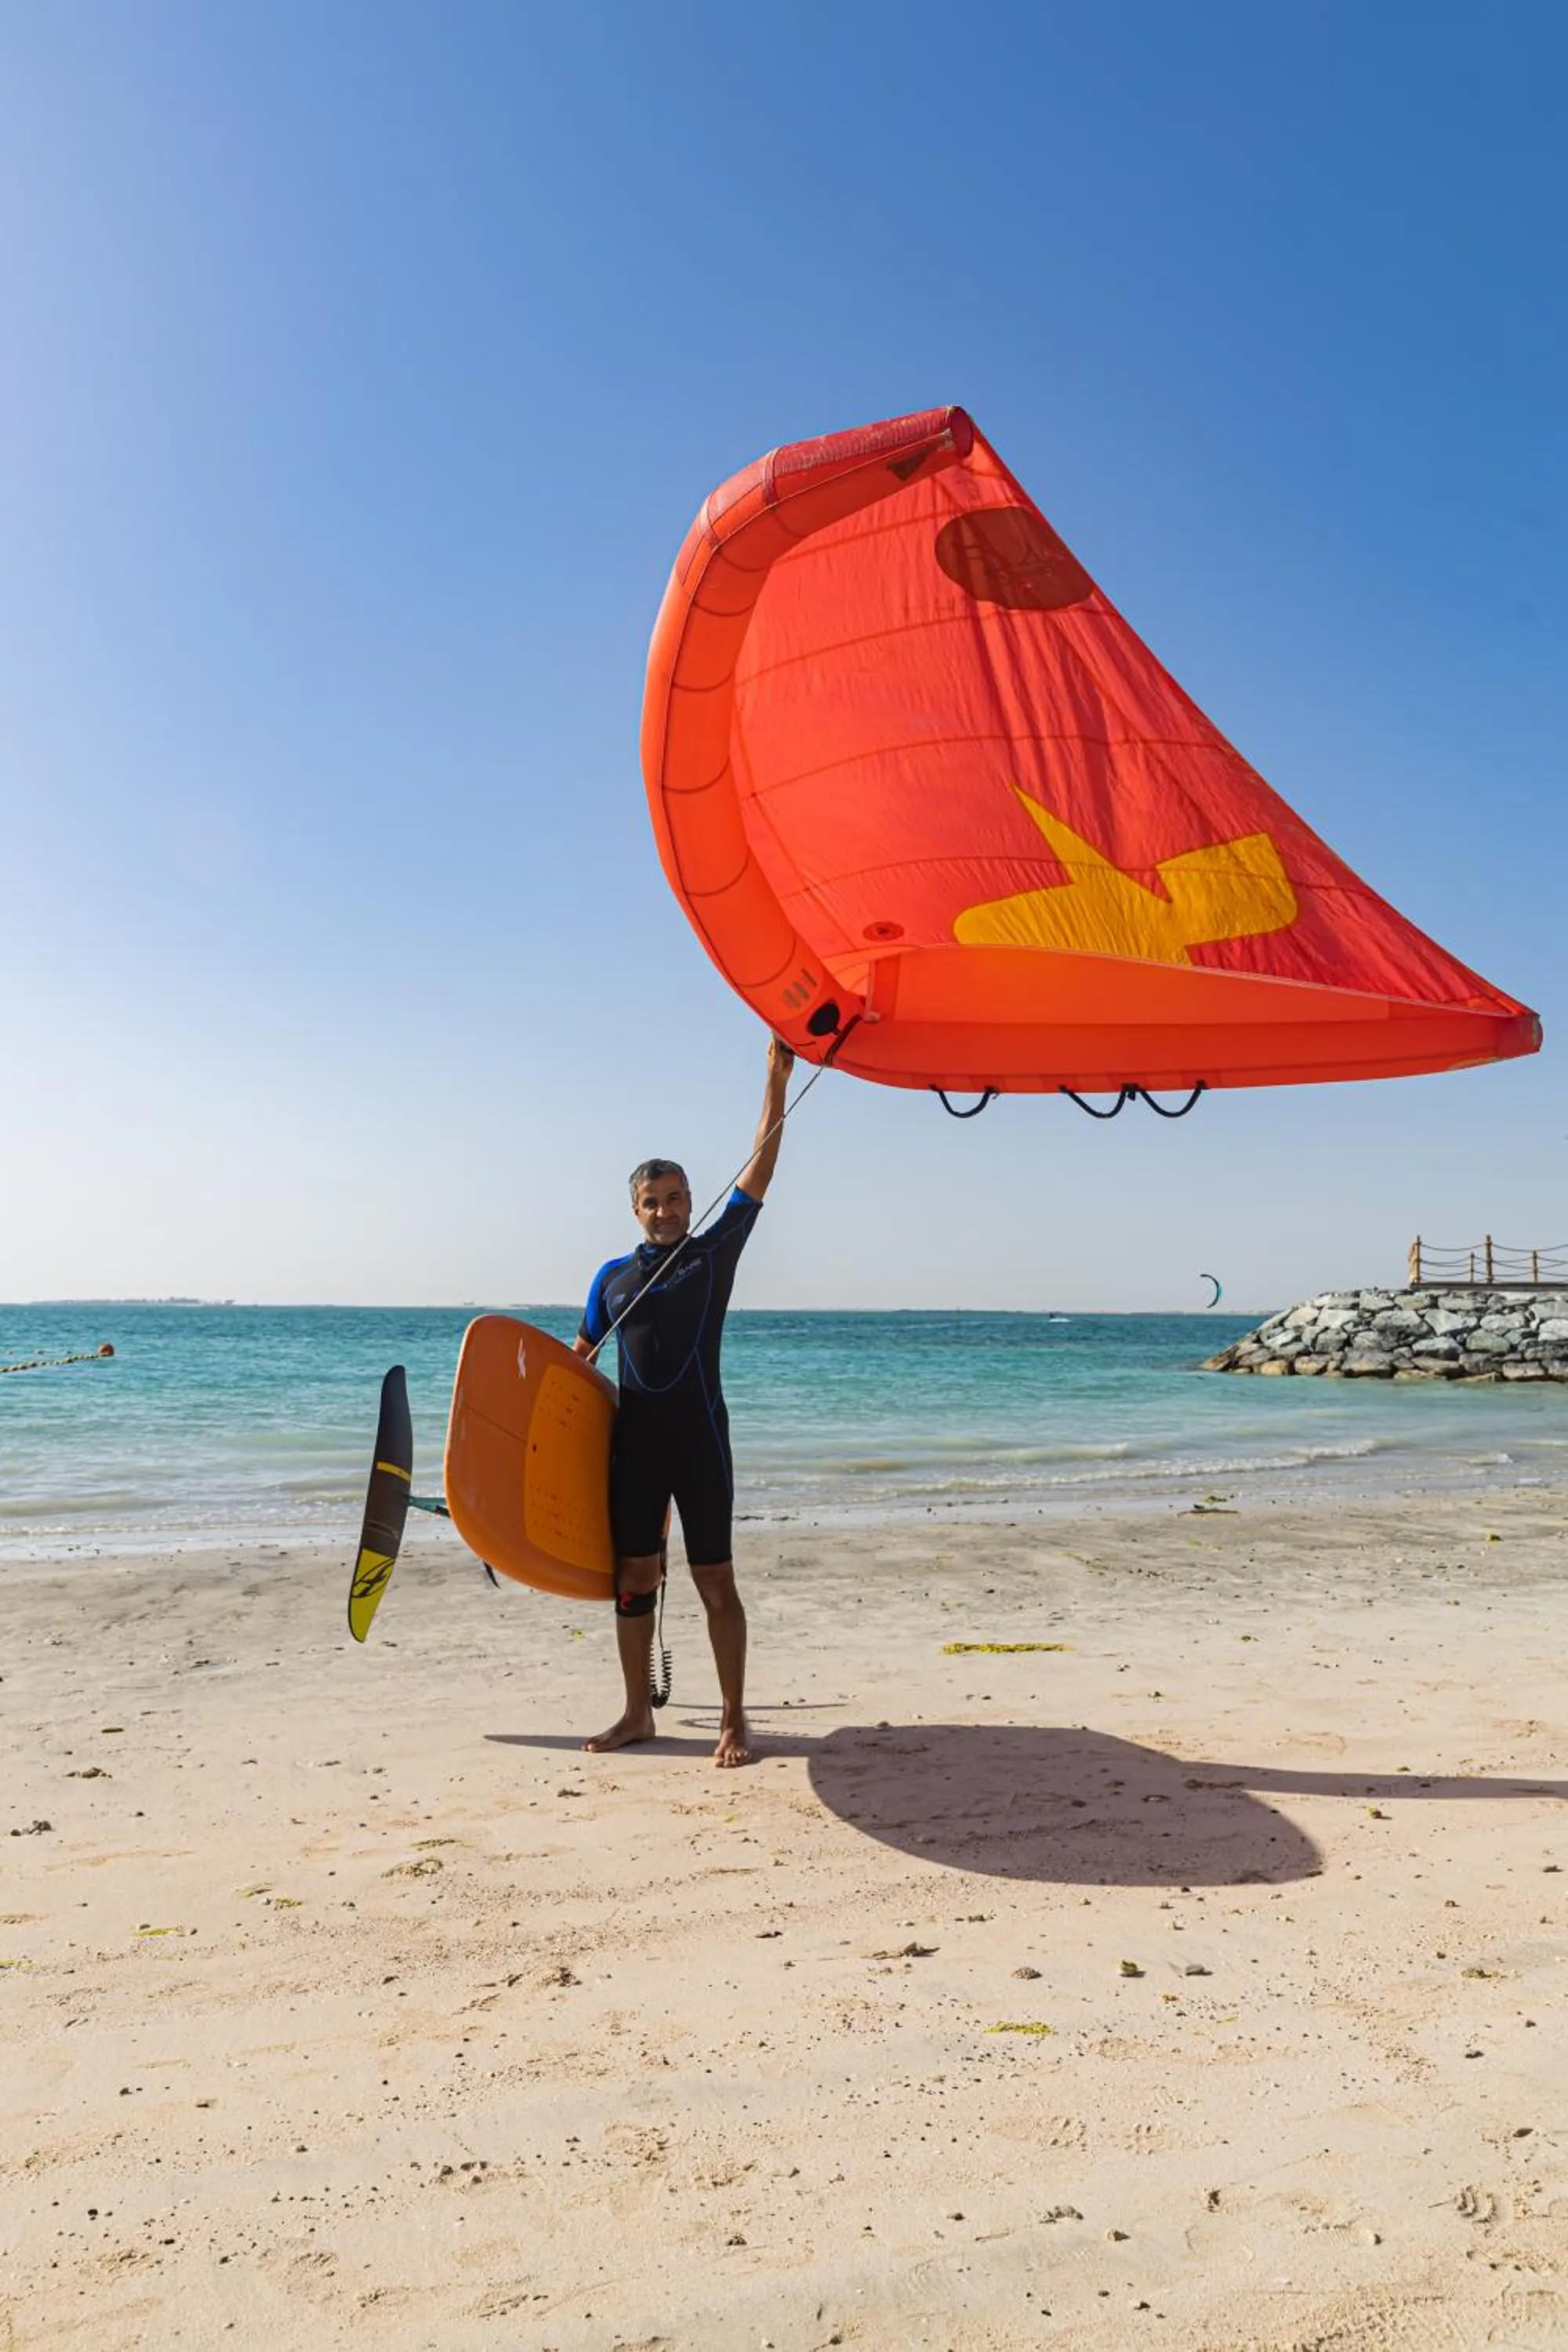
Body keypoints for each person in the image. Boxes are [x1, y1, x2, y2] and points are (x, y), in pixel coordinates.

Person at [574, 1036, 794, 1767]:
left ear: (691, 1201)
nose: (664, 1211)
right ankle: (638, 1712)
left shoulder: (712, 1254)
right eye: (650, 1202)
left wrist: (775, 1078)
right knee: (634, 1578)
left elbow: (760, 1166)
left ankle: (735, 1718)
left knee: (714, 1580)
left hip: (701, 1444)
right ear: (634, 1210)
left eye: (674, 1199)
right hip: (635, 1451)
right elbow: (576, 1371)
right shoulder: (610, 1278)